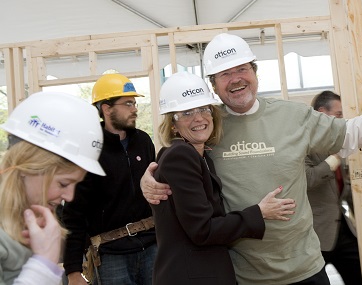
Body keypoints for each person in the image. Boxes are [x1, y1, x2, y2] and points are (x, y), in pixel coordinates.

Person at [141, 33, 362, 285]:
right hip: (245, 275)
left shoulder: (293, 116)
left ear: (255, 72)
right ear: (214, 84)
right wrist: (150, 178)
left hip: (304, 269)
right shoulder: (207, 123)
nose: (235, 80)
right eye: (224, 74)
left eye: (241, 68)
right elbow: (176, 157)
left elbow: (352, 134)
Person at [152, 71, 295, 285]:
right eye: (187, 112)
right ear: (173, 123)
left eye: (203, 109)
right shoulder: (181, 156)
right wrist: (259, 212)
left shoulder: (199, 155)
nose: (199, 118)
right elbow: (202, 230)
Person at [0, 92, 105, 285]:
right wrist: (43, 265)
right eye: (63, 183)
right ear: (29, 165)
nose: (70, 196)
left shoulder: (27, 222)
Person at [62, 74, 156, 285]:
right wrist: (73, 271)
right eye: (128, 103)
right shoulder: (89, 149)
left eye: (135, 102)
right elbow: (73, 214)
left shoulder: (143, 141)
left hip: (152, 247)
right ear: (106, 108)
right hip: (111, 255)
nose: (135, 108)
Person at [305, 91, 362, 285]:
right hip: (315, 236)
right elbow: (309, 179)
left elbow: (345, 191)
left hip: (343, 231)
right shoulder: (304, 145)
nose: (342, 120)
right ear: (322, 113)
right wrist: (335, 159)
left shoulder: (337, 145)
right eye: (338, 115)